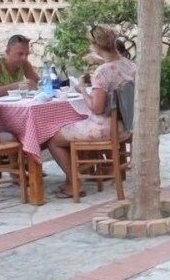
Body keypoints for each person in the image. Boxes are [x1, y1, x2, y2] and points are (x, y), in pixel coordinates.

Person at [48, 25, 137, 199]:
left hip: (106, 128)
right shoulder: (130, 65)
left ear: (95, 45)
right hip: (126, 125)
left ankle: (74, 183)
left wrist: (81, 88)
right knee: (73, 126)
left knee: (53, 139)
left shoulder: (102, 72)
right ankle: (84, 172)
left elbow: (97, 108)